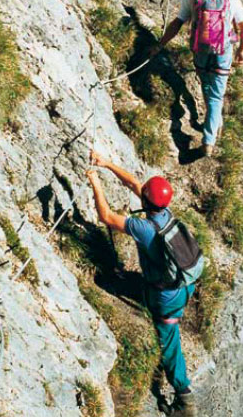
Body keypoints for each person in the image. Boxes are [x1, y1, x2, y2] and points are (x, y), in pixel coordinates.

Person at [86, 150, 198, 417]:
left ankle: (184, 398)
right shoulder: (164, 215)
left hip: (166, 298)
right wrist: (107, 163)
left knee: (169, 343)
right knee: (141, 288)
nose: (141, 191)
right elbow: (135, 185)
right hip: (184, 284)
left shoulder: (145, 229)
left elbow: (108, 218)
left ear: (148, 201)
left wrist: (95, 182)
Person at [152, 0, 243, 156]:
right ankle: (209, 140)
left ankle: (212, 121)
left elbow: (178, 23)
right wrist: (241, 50)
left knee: (206, 84)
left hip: (200, 50)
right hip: (223, 51)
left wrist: (159, 45)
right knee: (216, 95)